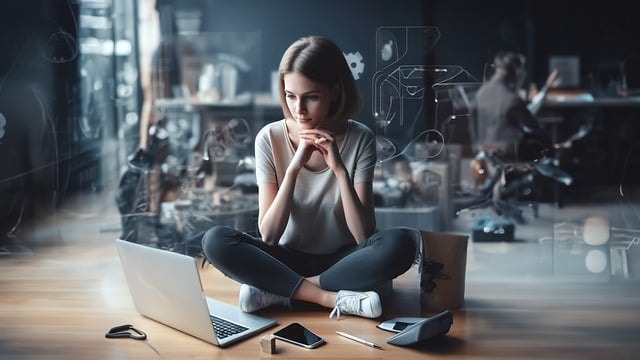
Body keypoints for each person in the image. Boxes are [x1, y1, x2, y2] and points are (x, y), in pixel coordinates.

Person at [201, 36, 418, 320]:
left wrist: (339, 169)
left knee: (402, 244)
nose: (298, 109)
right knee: (214, 240)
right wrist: (292, 169)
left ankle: (280, 292)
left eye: (311, 97)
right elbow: (269, 234)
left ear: (335, 92)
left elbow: (363, 235)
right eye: (290, 96)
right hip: (286, 258)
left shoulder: (360, 137)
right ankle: (329, 298)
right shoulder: (269, 138)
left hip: (342, 259)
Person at [473, 51, 560, 163]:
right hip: (509, 154)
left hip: (487, 152)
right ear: (516, 72)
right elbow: (532, 125)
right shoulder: (511, 98)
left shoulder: (481, 93)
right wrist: (551, 149)